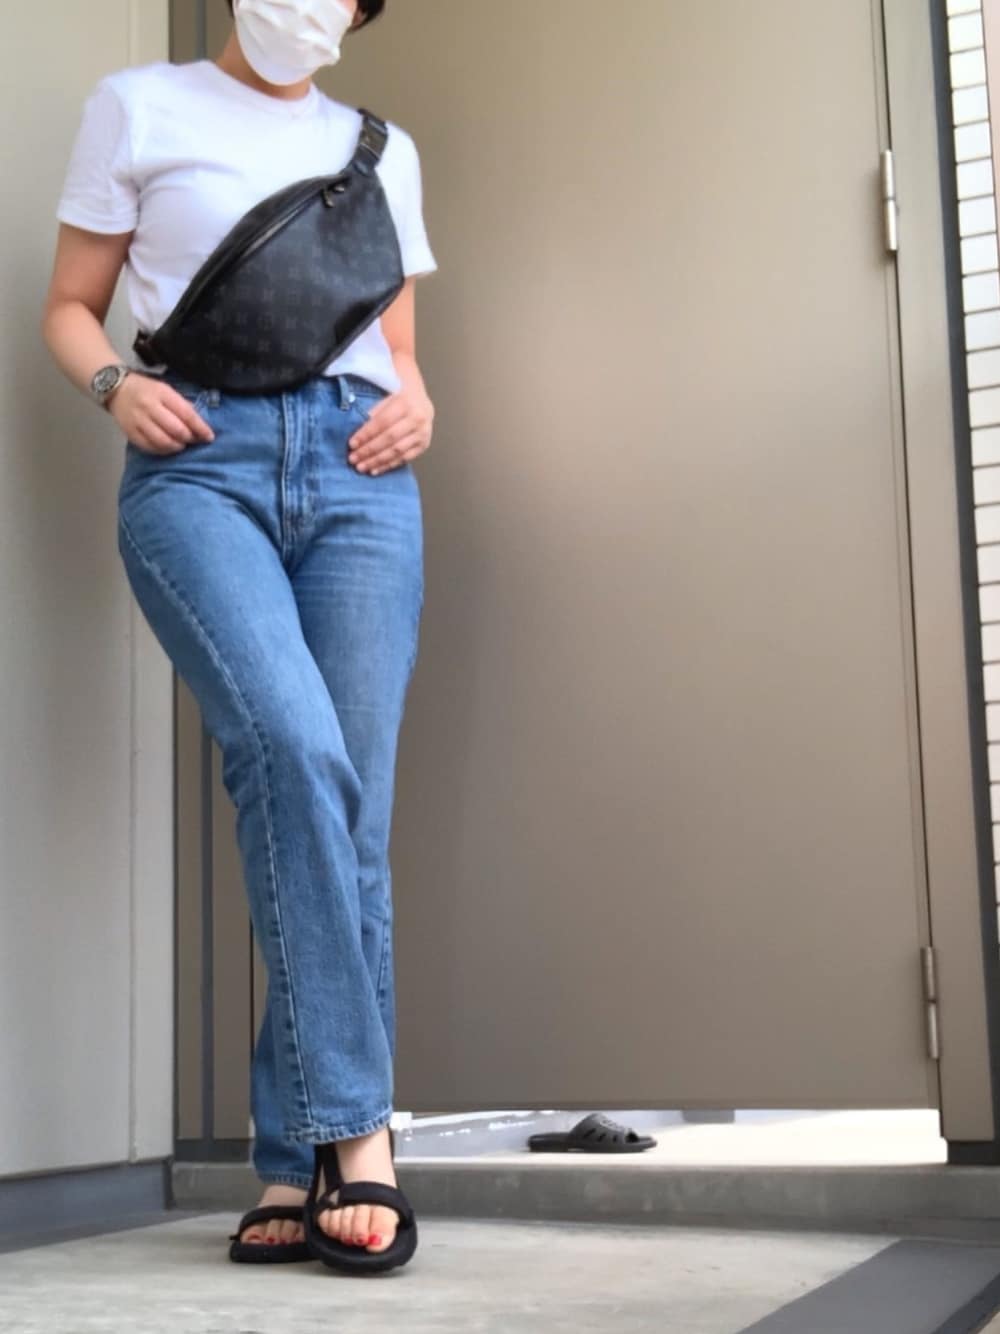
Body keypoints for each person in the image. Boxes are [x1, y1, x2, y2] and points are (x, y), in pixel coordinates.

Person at [41, 0, 435, 1275]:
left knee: (348, 816)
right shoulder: (137, 106)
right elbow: (69, 306)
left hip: (361, 475)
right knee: (292, 749)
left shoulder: (381, 148)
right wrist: (116, 384)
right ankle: (358, 1138)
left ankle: (282, 1157)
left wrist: (420, 402)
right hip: (200, 465)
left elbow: (395, 346)